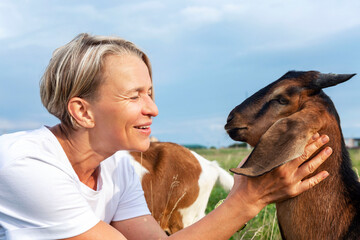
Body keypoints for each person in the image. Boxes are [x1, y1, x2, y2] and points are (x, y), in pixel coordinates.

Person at [0, 33, 332, 240]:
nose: (153, 109)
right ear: (83, 112)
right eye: (134, 96)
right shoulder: (26, 167)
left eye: (150, 93)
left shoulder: (118, 166)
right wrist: (248, 199)